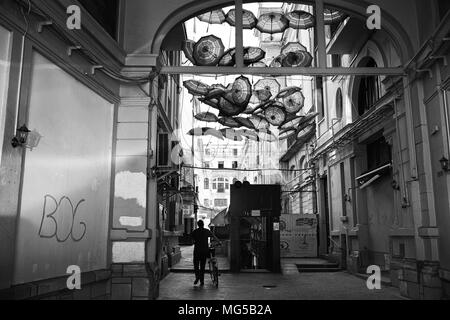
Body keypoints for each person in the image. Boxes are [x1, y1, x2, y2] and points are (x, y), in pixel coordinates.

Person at [190, 220, 220, 286]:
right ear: (203, 224)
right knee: (202, 266)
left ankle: (197, 277)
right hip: (204, 251)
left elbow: (191, 240)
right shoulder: (206, 231)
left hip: (197, 251)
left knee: (196, 265)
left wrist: (195, 241)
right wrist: (219, 242)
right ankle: (202, 281)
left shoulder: (195, 231)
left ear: (198, 225)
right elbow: (214, 236)